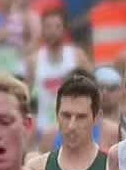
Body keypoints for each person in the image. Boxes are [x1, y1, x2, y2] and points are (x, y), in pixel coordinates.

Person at [30, 8, 87, 141]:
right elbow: (29, 97)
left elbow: (93, 88)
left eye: (57, 26)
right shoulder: (34, 60)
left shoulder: (77, 56)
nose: (52, 31)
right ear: (42, 30)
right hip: (44, 128)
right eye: (48, 27)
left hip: (73, 127)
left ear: (64, 30)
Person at [96, 66, 126, 145]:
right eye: (100, 87)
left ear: (123, 91)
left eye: (111, 88)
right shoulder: (85, 122)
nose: (105, 92)